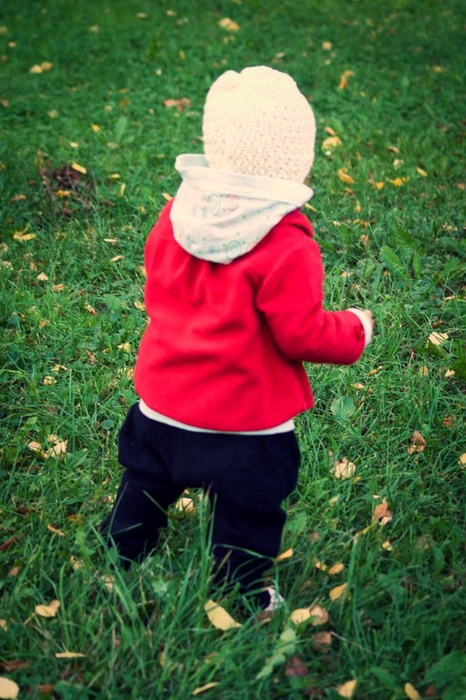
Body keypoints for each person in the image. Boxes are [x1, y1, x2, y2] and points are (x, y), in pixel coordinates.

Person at [100, 66, 374, 610]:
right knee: (249, 506)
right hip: (245, 422)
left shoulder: (178, 215)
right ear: (295, 158)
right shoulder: (287, 244)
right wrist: (355, 328)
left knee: (146, 481)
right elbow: (300, 334)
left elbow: (158, 282)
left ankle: (120, 550)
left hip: (163, 405)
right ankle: (242, 591)